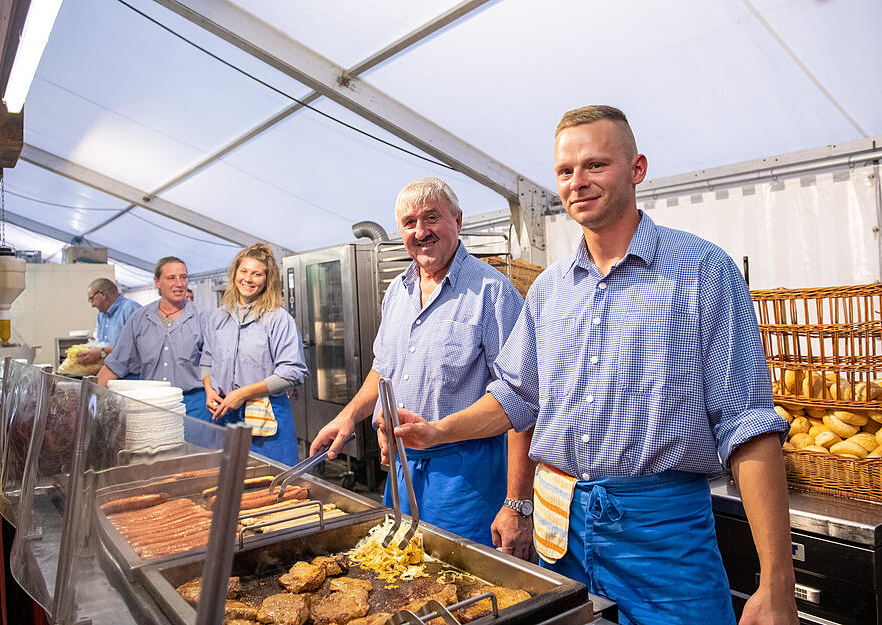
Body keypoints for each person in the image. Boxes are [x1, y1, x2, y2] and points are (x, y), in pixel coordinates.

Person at [389, 107, 798, 625]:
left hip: (663, 534)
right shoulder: (550, 290)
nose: (577, 182)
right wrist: (440, 430)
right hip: (563, 533)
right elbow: (516, 395)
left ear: (637, 169)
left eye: (595, 165)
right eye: (564, 171)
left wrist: (776, 583)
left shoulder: (702, 272)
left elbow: (748, 426)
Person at [310, 177, 530, 551]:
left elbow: (521, 400)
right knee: (401, 573)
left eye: (431, 218)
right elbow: (383, 368)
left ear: (458, 221)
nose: (421, 231)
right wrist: (349, 416)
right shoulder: (398, 290)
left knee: (461, 586)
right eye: (409, 223)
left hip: (466, 476)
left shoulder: (492, 292)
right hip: (402, 470)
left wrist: (516, 503)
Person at [200, 244, 308, 465]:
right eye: (244, 271)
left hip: (266, 414)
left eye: (257, 274)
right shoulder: (219, 317)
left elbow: (293, 372)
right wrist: (209, 390)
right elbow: (207, 360)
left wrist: (243, 394)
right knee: (228, 483)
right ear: (235, 273)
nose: (248, 279)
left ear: (267, 280)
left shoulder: (278, 319)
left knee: (274, 486)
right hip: (224, 414)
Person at [97, 257, 211, 422]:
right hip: (152, 404)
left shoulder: (203, 318)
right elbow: (115, 364)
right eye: (171, 278)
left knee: (195, 448)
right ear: (157, 282)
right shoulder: (140, 319)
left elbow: (216, 365)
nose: (179, 284)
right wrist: (89, 399)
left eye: (183, 277)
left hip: (194, 405)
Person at [76, 278, 141, 366]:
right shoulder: (101, 315)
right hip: (110, 371)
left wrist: (102, 352)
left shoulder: (132, 309)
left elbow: (138, 346)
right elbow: (101, 343)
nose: (92, 305)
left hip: (131, 376)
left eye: (92, 299)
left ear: (102, 294)